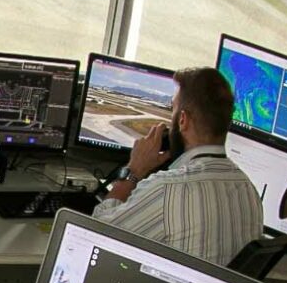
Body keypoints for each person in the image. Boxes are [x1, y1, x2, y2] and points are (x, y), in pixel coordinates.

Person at [91, 65, 267, 265]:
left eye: (172, 109)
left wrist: (134, 171)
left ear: (182, 120)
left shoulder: (168, 188)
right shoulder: (250, 192)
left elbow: (96, 233)